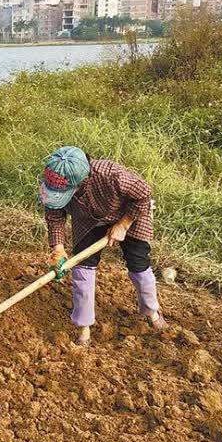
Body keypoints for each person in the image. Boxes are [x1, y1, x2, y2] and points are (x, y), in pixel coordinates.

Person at [39, 146, 168, 346]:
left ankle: (151, 312)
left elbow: (143, 193)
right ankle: (84, 329)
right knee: (82, 270)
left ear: (84, 181)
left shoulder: (111, 175)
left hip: (129, 213)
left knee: (139, 265)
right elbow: (54, 215)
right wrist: (58, 248)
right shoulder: (55, 181)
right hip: (88, 220)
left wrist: (123, 224)